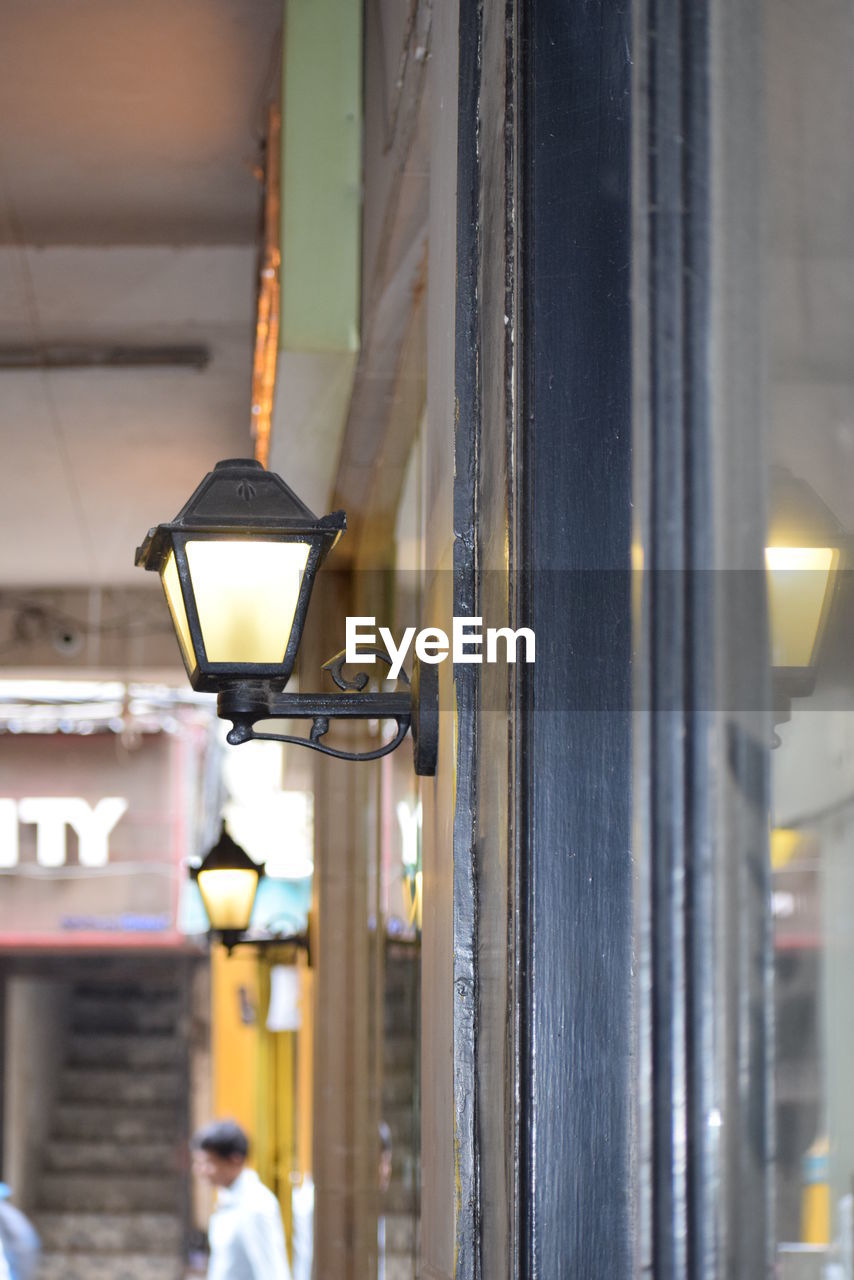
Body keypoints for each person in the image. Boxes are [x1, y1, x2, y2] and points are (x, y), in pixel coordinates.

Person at [191, 1120, 292, 1280]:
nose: (200, 1171)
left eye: (208, 1163)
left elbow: (273, 1273)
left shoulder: (256, 1205)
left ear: (235, 1160)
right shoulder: (227, 1200)